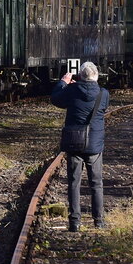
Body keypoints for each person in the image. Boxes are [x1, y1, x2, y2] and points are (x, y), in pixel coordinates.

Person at [50, 61, 109, 232]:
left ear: (80, 76)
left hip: (74, 142)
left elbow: (56, 99)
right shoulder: (103, 94)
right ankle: (99, 221)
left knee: (74, 183)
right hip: (94, 145)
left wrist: (63, 82)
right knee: (96, 183)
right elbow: (103, 107)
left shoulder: (71, 91)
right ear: (96, 76)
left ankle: (74, 222)